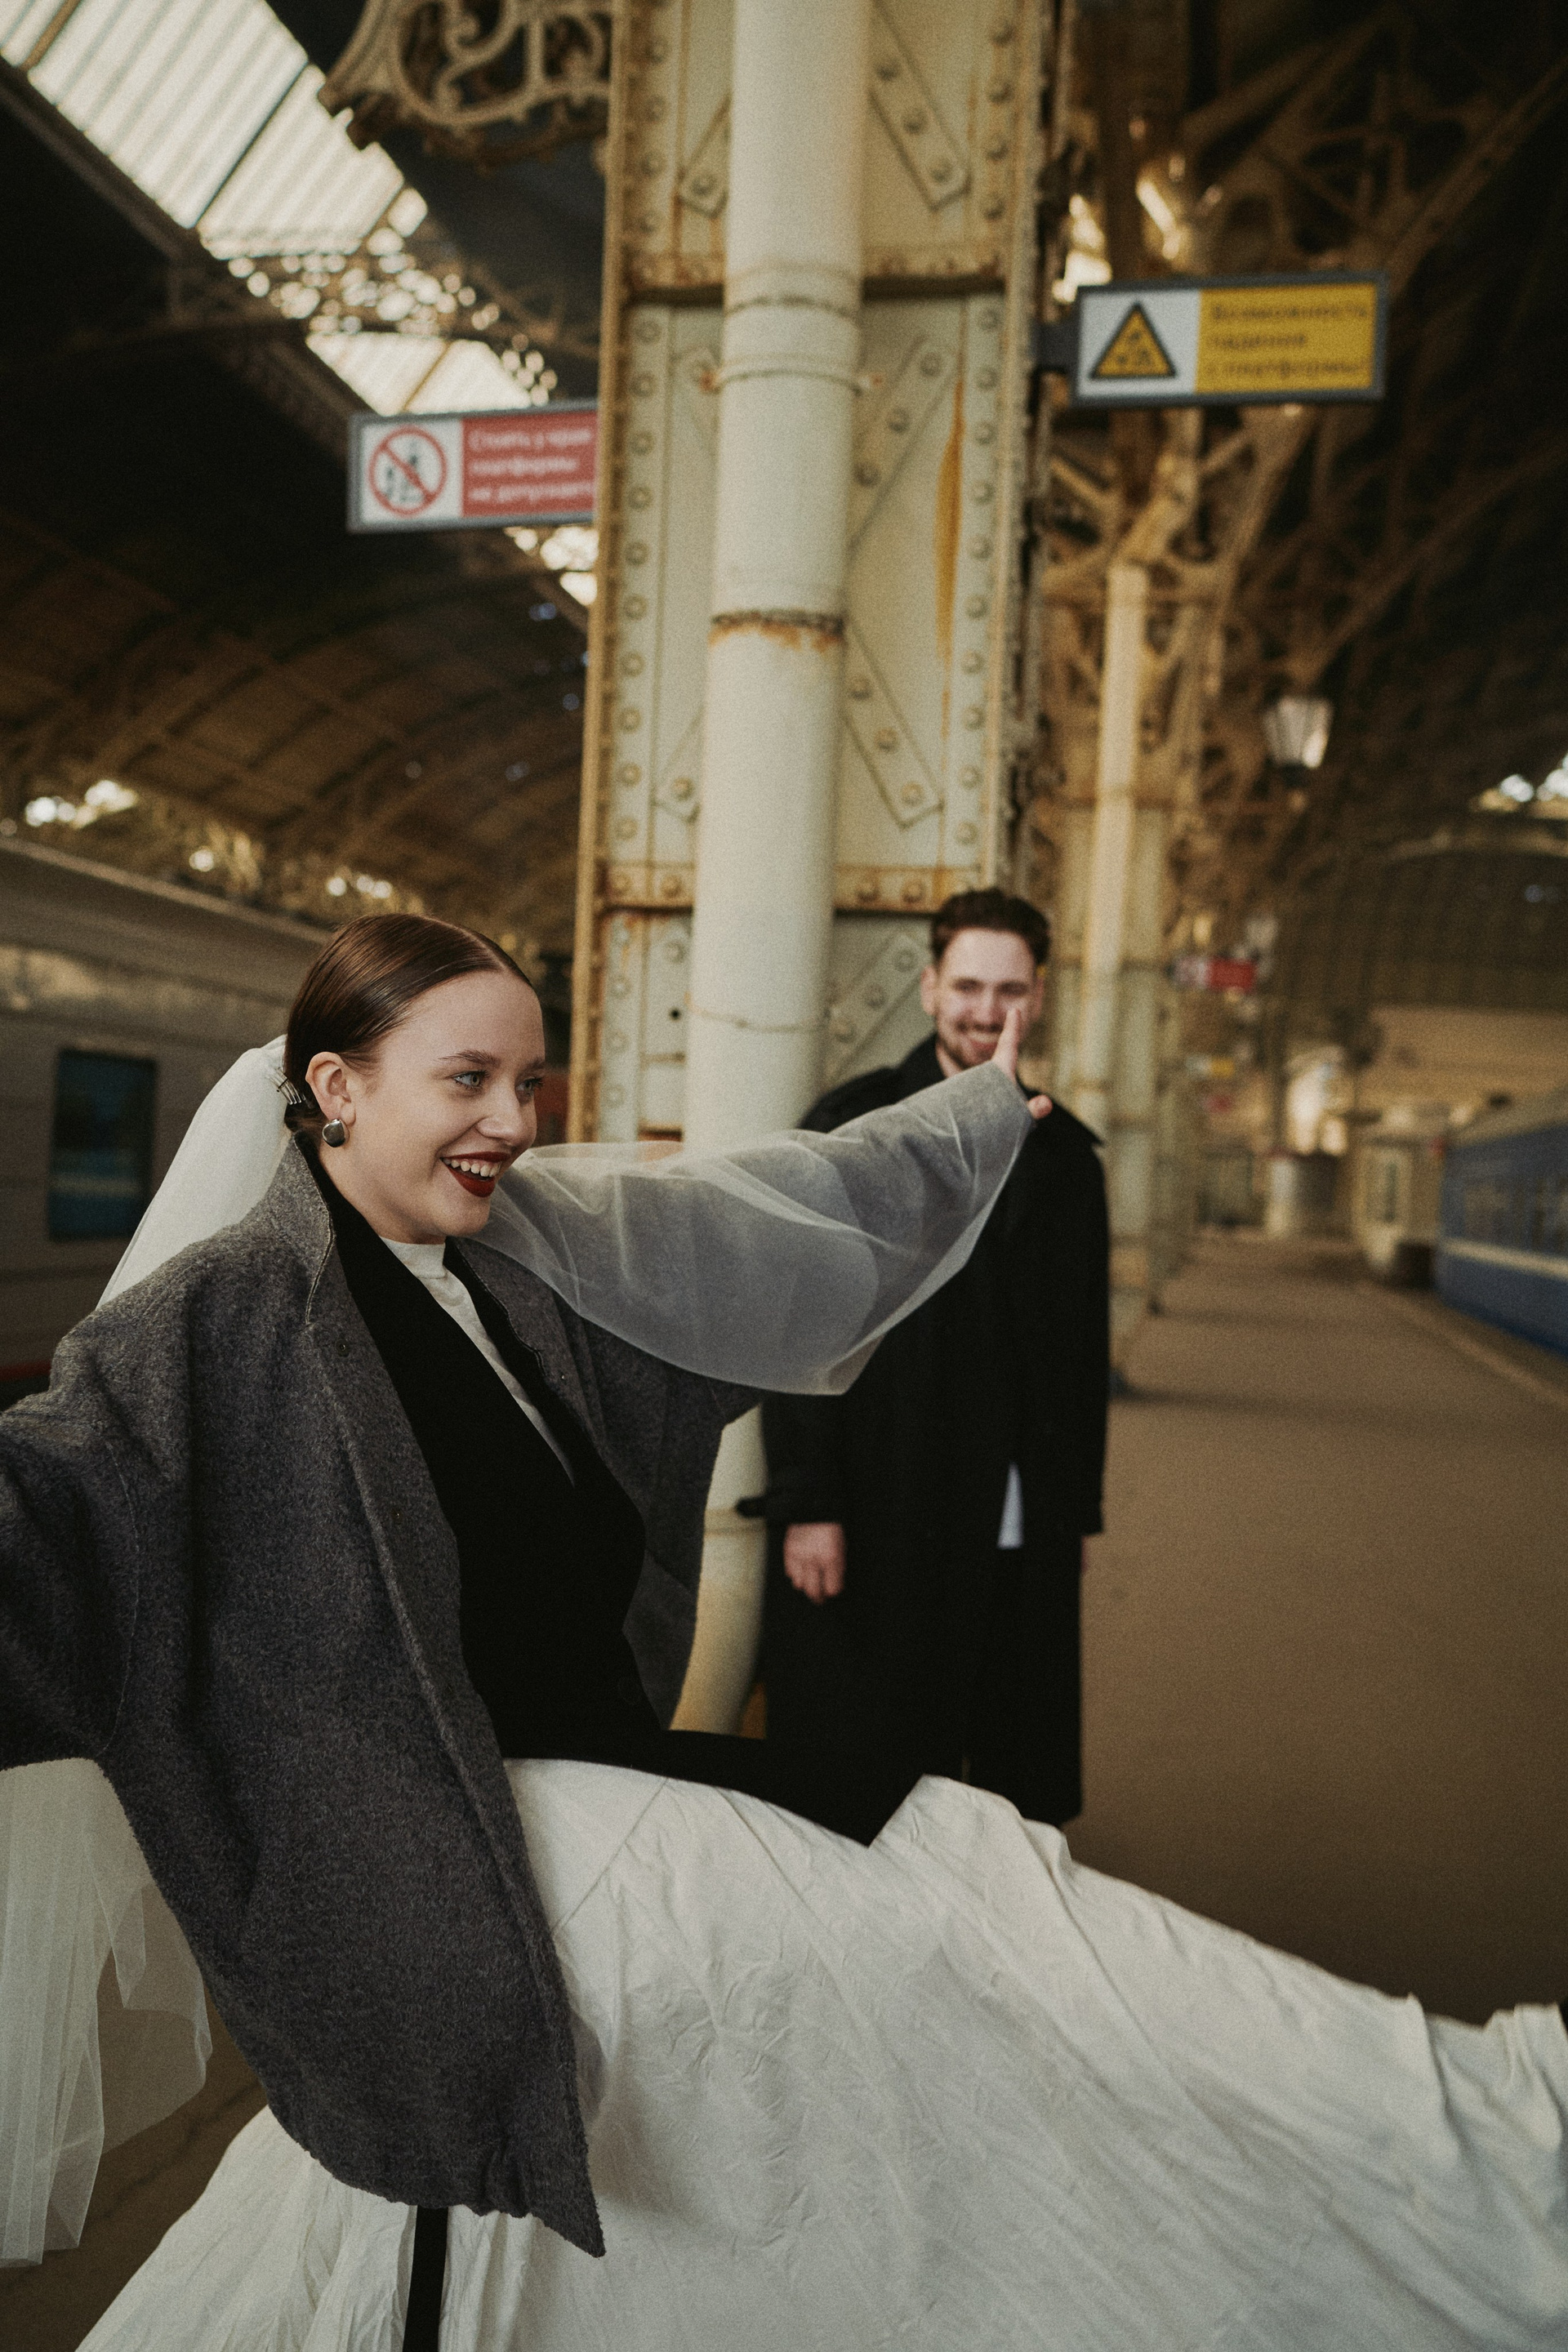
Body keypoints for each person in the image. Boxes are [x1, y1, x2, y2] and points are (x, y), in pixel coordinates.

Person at [2, 914, 1566, 2352]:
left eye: (531, 1082)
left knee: (981, 1908)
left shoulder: (526, 1260)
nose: (515, 1122)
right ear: (336, 1089)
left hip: (619, 1838)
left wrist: (974, 1117)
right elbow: (43, 1545)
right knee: (982, 1961)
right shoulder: (210, 1327)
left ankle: (1471, 2146)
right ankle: (1473, 2177)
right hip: (484, 1888)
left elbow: (797, 1208)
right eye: (466, 1080)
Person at [762, 888, 1108, 1827]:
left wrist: (1073, 1510)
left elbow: (1080, 1354)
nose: (986, 1011)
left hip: (1018, 1513)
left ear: (1038, 997)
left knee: (1002, 1766)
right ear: (929, 989)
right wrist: (809, 1501)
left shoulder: (1067, 1160)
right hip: (885, 1498)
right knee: (869, 1765)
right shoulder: (857, 1127)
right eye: (967, 987)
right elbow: (802, 1321)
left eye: (1010, 989)